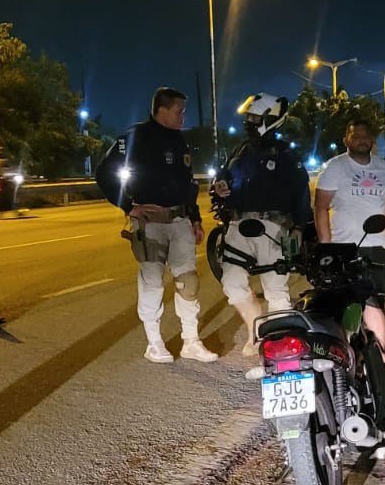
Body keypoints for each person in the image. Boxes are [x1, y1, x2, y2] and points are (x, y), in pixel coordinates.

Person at [121, 87, 219, 364]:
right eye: (179, 111)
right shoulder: (136, 136)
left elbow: (187, 183)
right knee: (152, 282)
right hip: (149, 223)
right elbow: (106, 172)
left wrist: (196, 218)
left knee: (188, 282)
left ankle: (191, 341)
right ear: (162, 110)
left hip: (179, 221)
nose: (183, 116)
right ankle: (154, 343)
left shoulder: (179, 140)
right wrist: (128, 206)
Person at [212, 92, 312, 356]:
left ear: (271, 118)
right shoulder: (240, 150)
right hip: (237, 226)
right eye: (248, 116)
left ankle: (281, 346)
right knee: (232, 284)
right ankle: (256, 333)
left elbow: (302, 193)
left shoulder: (286, 154)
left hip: (273, 228)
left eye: (254, 116)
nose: (249, 121)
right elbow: (223, 177)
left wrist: (299, 228)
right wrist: (220, 186)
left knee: (275, 289)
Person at [314, 116, 385, 363]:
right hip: (344, 247)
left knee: (374, 299)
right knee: (342, 302)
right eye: (355, 135)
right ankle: (342, 354)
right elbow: (321, 206)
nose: (361, 139)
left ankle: (380, 354)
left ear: (371, 140)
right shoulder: (335, 167)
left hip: (376, 247)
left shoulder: (383, 167)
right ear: (346, 140)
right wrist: (326, 245)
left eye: (365, 135)